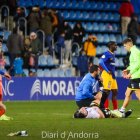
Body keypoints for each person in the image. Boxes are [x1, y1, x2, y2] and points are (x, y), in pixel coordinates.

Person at [120, 38, 140, 113]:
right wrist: (127, 69)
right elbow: (133, 64)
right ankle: (122, 110)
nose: (124, 48)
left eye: (125, 46)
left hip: (137, 76)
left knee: (138, 95)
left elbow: (138, 64)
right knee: (127, 93)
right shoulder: (133, 51)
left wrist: (130, 73)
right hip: (134, 76)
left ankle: (122, 109)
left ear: (129, 45)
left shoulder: (135, 52)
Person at [99, 41, 118, 110]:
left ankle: (115, 110)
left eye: (116, 45)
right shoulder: (106, 54)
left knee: (115, 92)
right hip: (107, 75)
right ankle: (105, 109)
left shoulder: (113, 54)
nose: (116, 46)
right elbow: (100, 62)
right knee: (106, 92)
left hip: (112, 76)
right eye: (115, 45)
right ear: (110, 46)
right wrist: (107, 70)